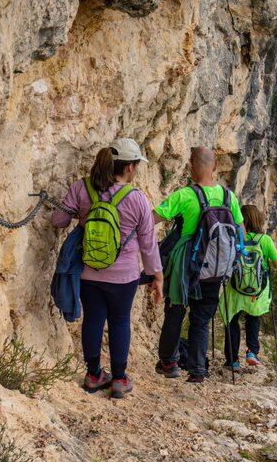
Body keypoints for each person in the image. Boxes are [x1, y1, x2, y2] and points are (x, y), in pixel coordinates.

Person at [52, 138, 163, 398]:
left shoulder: (83, 188)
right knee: (120, 321)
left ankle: (93, 375)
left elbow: (58, 220)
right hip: (124, 276)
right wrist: (157, 276)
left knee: (93, 319)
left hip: (89, 271)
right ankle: (119, 379)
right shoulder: (137, 199)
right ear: (130, 168)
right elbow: (148, 244)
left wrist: (77, 215)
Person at [154, 146, 246, 384]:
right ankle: (197, 370)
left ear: (192, 166)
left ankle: (169, 362)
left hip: (185, 264)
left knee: (175, 311)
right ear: (214, 166)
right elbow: (240, 231)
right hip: (215, 268)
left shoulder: (185, 195)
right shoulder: (229, 197)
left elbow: (153, 218)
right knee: (202, 319)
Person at [221, 205, 277, 371]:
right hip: (257, 291)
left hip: (235, 288)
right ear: (258, 220)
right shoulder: (264, 240)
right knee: (253, 317)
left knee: (232, 321)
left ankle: (232, 360)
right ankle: (252, 352)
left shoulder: (234, 239)